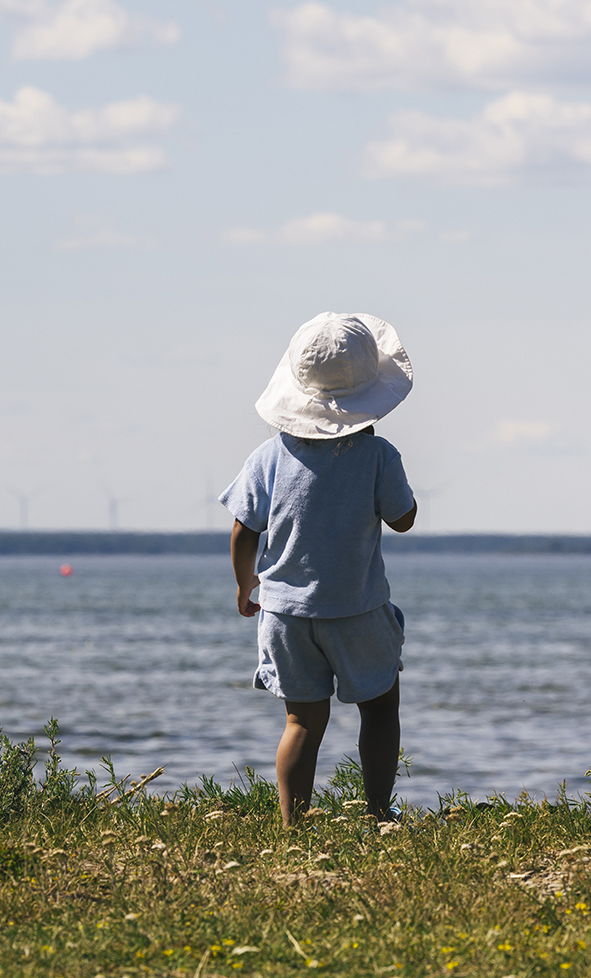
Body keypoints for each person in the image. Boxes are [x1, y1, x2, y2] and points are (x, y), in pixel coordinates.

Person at [221, 312, 419, 827]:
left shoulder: (267, 456)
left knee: (301, 721)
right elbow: (403, 520)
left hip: (284, 613)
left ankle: (292, 824)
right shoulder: (378, 455)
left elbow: (244, 530)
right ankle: (378, 812)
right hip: (357, 608)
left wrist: (248, 586)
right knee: (379, 707)